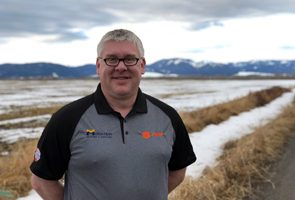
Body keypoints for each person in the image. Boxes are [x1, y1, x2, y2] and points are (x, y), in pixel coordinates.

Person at [30, 29, 196, 200]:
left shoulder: (168, 117)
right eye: (111, 59)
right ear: (98, 66)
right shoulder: (68, 119)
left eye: (130, 59)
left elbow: (177, 171)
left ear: (142, 65)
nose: (121, 67)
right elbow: (41, 181)